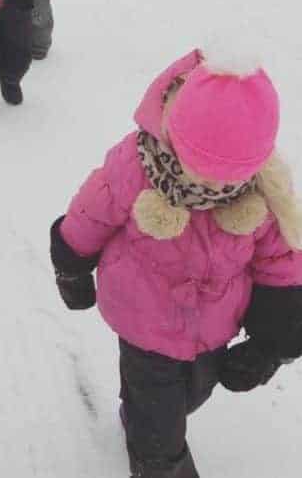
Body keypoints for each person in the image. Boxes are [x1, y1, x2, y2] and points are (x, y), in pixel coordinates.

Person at [50, 49, 302, 477]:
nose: (213, 186)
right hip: (143, 323)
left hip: (214, 328)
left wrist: (270, 345)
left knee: (188, 398)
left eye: (229, 178)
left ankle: (142, 414)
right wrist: (72, 264)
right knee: (161, 433)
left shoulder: (260, 191)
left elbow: (282, 262)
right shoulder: (137, 163)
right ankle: (154, 452)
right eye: (201, 171)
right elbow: (91, 213)